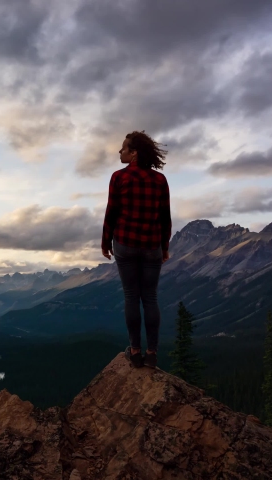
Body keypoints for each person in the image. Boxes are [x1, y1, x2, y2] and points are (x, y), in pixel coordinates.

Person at [101, 131, 171, 369]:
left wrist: (105, 241)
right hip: (151, 245)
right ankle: (152, 354)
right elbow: (165, 218)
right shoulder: (160, 181)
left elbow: (111, 212)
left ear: (133, 153)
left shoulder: (119, 177)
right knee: (150, 297)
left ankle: (135, 351)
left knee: (131, 296)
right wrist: (164, 247)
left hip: (125, 244)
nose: (119, 152)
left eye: (123, 148)